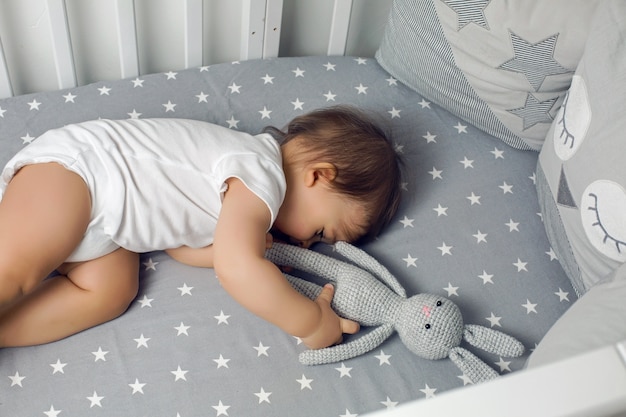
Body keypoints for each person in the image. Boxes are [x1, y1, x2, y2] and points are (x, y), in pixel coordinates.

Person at [0, 106, 402, 349]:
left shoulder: (242, 193)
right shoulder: (262, 174)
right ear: (318, 175)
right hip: (78, 174)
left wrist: (229, 249)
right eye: (319, 231)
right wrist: (311, 323)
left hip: (110, 227)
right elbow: (237, 269)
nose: (306, 243)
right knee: (15, 270)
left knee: (110, 293)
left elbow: (178, 244)